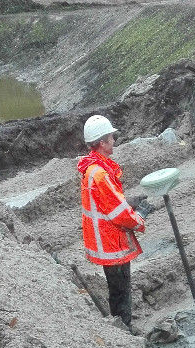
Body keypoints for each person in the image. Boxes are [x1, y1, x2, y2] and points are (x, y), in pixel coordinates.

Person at [78, 114, 145, 330]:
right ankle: (124, 330)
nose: (114, 141)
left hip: (105, 240)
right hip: (112, 243)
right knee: (121, 290)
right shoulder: (99, 174)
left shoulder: (93, 168)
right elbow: (118, 212)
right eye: (111, 138)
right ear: (102, 142)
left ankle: (121, 326)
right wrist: (139, 220)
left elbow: (109, 202)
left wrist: (129, 203)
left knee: (117, 289)